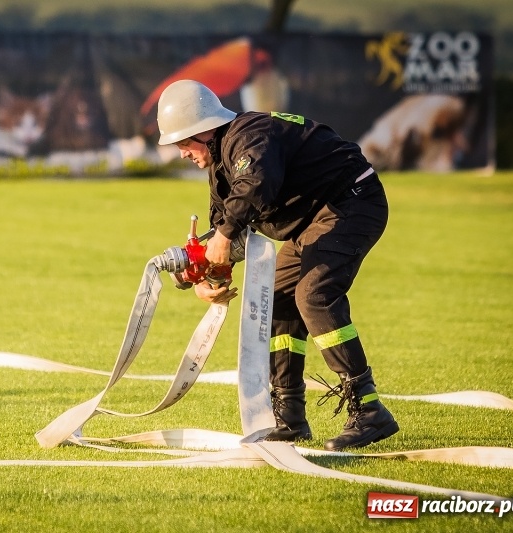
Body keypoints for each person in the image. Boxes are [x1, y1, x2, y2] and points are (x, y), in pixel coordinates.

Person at [156, 79, 399, 451]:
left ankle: (369, 409)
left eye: (183, 143)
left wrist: (225, 236)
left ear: (202, 130)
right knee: (279, 301)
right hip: (314, 221)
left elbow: (256, 184)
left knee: (314, 296)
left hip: (351, 202)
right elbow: (225, 227)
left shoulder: (249, 136)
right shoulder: (222, 160)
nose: (182, 153)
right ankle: (289, 418)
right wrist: (206, 275)